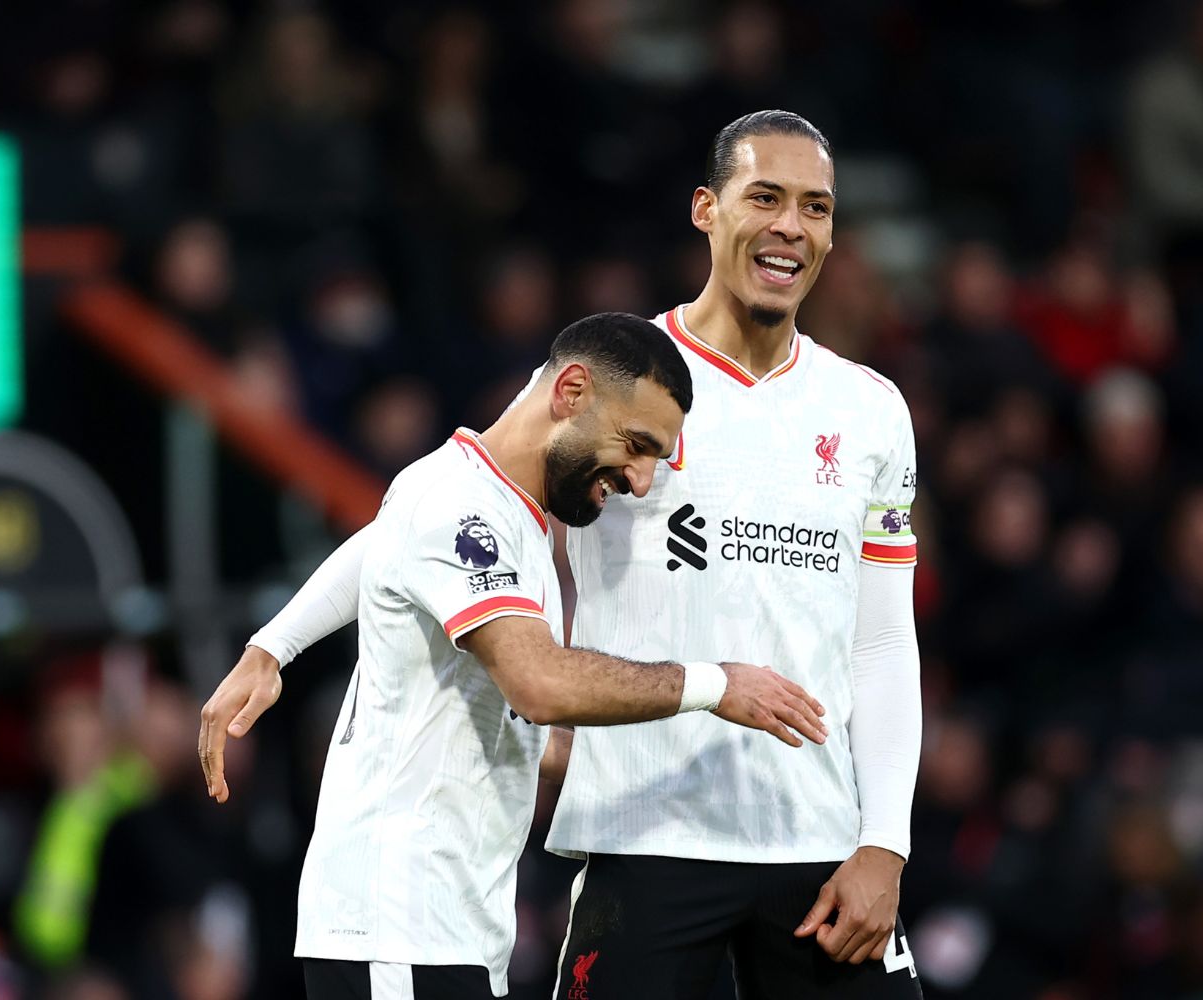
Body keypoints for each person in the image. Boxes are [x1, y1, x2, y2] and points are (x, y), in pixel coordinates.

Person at [211, 111, 926, 999]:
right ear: (707, 209)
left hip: (817, 842)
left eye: (815, 208)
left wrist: (884, 840)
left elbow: (886, 643)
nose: (791, 226)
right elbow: (432, 518)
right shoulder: (616, 376)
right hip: (641, 833)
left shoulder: (870, 412)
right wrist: (276, 642)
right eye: (765, 198)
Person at [197, 311, 830, 1000]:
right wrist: (716, 685)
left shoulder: (492, 504)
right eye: (638, 444)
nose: (643, 481)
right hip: (401, 932)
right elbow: (538, 684)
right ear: (573, 393)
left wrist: (272, 647)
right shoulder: (464, 507)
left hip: (448, 934)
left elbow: (384, 542)